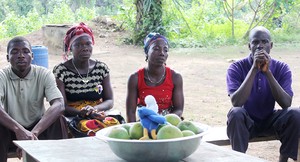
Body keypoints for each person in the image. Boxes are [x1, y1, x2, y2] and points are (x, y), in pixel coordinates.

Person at [226, 26, 300, 162]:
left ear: (271, 46)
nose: (260, 46)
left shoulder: (282, 68)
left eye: (265, 42)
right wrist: (254, 69)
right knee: (235, 113)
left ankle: (283, 160)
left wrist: (268, 73)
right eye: (255, 42)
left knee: (296, 113)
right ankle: (239, 159)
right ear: (249, 46)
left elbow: (286, 103)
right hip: (247, 122)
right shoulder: (236, 67)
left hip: (270, 119)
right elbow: (236, 102)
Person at [0, 36, 68, 162]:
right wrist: (18, 130)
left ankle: (59, 159)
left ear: (32, 55)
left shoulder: (43, 73)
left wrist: (33, 134)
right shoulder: (2, 76)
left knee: (58, 119)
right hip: (11, 131)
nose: (21, 55)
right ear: (7, 58)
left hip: (38, 129)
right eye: (14, 52)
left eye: (25, 51)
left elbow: (59, 104)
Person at [53, 22, 122, 138]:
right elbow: (62, 106)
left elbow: (109, 100)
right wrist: (81, 112)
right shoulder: (61, 71)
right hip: (74, 115)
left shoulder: (101, 68)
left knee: (116, 127)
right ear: (70, 48)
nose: (84, 48)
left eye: (88, 44)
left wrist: (94, 109)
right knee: (89, 128)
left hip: (96, 112)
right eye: (78, 45)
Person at [126, 32, 184, 122]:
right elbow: (130, 112)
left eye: (165, 50)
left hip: (168, 124)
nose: (162, 53)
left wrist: (163, 122)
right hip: (145, 125)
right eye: (156, 49)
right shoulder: (135, 78)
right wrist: (134, 132)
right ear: (147, 52)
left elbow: (179, 109)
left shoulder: (175, 77)